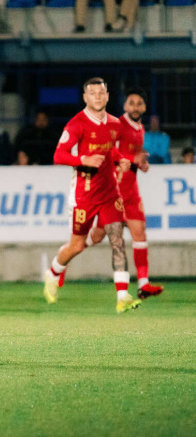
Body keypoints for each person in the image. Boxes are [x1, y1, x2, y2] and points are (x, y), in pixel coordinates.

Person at [44, 78, 139, 313]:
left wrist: (120, 160)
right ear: (85, 98)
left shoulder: (116, 124)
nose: (97, 96)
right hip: (84, 196)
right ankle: (54, 271)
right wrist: (82, 160)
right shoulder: (77, 124)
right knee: (77, 246)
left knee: (117, 239)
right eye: (92, 93)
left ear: (107, 96)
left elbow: (111, 149)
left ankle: (123, 295)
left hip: (110, 193)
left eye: (101, 92)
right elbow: (59, 155)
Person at [82, 88, 163, 300]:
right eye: (131, 103)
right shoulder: (117, 125)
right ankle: (68, 255)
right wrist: (130, 158)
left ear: (144, 108)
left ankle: (144, 284)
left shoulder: (140, 129)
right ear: (125, 106)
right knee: (97, 237)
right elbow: (106, 150)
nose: (135, 107)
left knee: (140, 234)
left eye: (139, 103)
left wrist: (140, 163)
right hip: (113, 192)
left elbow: (132, 158)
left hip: (131, 192)